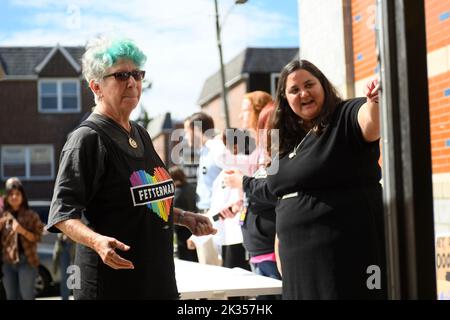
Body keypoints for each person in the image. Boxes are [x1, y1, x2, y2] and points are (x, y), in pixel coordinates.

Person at [45, 36, 216, 300]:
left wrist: (182, 217)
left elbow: (145, 199)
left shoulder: (140, 133)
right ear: (96, 86)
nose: (133, 82)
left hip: (156, 280)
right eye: (122, 75)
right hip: (112, 285)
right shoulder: (87, 139)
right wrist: (96, 241)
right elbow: (62, 214)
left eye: (137, 74)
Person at [225, 59, 385, 300]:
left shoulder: (343, 117)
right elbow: (282, 195)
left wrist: (375, 102)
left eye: (309, 84)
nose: (303, 93)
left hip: (345, 263)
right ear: (285, 99)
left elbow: (370, 121)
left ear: (323, 85)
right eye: (294, 90)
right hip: (298, 267)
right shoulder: (288, 142)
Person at [0, 178, 44, 300]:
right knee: (11, 297)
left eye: (17, 194)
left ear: (23, 196)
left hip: (27, 261)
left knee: (27, 296)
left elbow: (38, 238)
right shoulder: (3, 216)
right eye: (11, 194)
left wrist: (22, 231)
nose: (14, 196)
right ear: (7, 197)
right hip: (7, 263)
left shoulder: (31, 215)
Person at [168, 166, 198, 262]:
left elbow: (173, 215)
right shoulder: (192, 188)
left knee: (186, 259)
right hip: (195, 226)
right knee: (195, 257)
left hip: (182, 230)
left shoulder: (177, 193)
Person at [52, 233, 75, 300]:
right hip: (63, 246)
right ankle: (65, 298)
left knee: (77, 275)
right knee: (65, 277)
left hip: (75, 245)